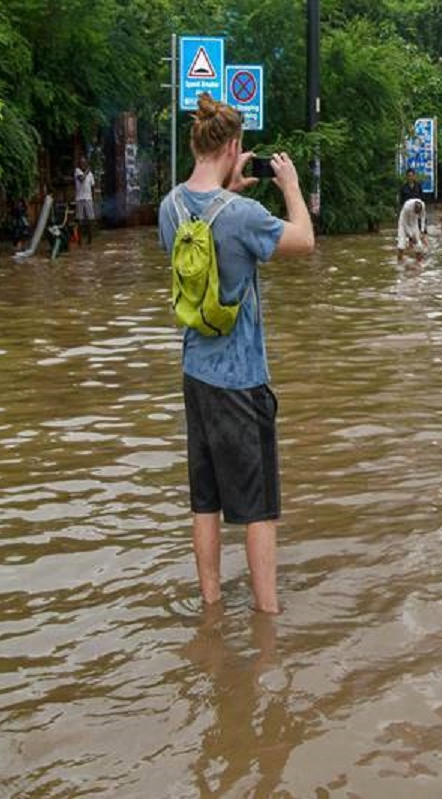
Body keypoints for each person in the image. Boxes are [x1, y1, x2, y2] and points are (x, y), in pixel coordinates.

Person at [157, 93, 315, 615]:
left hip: (195, 374)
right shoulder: (244, 215)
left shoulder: (170, 207)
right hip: (241, 381)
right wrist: (290, 187)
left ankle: (211, 608)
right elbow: (303, 241)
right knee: (257, 511)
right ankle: (267, 619)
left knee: (205, 502)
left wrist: (226, 185)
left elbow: (206, 225)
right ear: (233, 147)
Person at [397, 197, 428, 263]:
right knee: (401, 244)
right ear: (413, 208)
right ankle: (399, 261)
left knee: (419, 245)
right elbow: (404, 223)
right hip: (403, 222)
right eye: (416, 212)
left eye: (418, 213)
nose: (417, 213)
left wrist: (422, 231)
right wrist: (411, 236)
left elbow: (423, 218)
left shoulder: (423, 205)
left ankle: (418, 262)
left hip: (414, 222)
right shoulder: (407, 207)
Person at [74, 157, 95, 246]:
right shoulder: (77, 171)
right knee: (80, 221)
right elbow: (81, 179)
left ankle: (90, 240)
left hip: (88, 199)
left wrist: (92, 198)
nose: (83, 164)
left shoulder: (90, 174)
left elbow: (92, 186)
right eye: (81, 163)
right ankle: (80, 241)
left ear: (86, 164)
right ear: (79, 164)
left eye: (84, 163)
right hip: (80, 199)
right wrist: (87, 171)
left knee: (90, 220)